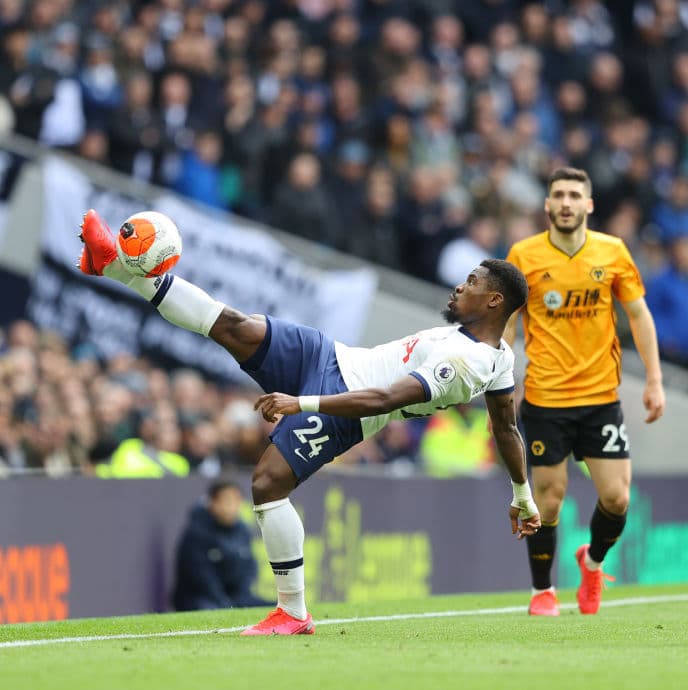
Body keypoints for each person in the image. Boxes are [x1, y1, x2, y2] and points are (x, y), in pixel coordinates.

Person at [76, 209, 541, 635]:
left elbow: (383, 399)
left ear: (494, 300)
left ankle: (293, 611)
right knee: (234, 325)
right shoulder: (494, 355)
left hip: (346, 408)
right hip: (329, 354)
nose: (460, 286)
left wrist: (304, 404)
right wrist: (523, 495)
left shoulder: (471, 363)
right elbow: (507, 429)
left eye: (472, 282)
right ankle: (111, 265)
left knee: (267, 484)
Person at [504, 167, 665, 617]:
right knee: (548, 499)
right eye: (559, 194)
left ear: (589, 204)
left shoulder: (612, 252)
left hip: (600, 398)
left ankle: (591, 564)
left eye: (575, 194)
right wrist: (500, 378)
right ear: (548, 205)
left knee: (617, 498)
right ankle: (542, 592)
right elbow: (510, 325)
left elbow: (639, 315)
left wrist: (653, 380)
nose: (567, 202)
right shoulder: (524, 254)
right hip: (545, 397)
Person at [172, 479, 272, 611]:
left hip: (236, 596)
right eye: (226, 501)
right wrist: (225, 604)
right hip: (199, 598)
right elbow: (201, 577)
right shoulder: (196, 532)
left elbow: (250, 566)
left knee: (272, 607)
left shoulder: (243, 530)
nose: (231, 507)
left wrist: (242, 593)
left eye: (236, 501)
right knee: (209, 609)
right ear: (212, 503)